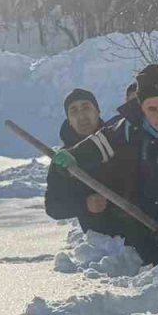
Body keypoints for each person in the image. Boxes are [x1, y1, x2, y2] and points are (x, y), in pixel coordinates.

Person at [51, 66, 158, 264]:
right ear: (141, 108)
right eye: (152, 109)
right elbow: (101, 143)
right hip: (151, 218)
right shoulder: (131, 125)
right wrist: (75, 156)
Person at [45, 89, 125, 236]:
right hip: (100, 242)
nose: (81, 115)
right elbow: (53, 207)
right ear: (69, 120)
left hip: (137, 229)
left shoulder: (118, 139)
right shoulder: (64, 159)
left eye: (86, 107)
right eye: (73, 111)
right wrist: (84, 204)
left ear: (97, 111)